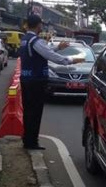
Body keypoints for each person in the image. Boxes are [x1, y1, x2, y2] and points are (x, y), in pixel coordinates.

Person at [19, 14, 84, 150]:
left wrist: (58, 48)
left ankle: (27, 139)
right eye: (41, 24)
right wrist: (72, 60)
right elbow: (53, 57)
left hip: (27, 79)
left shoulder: (25, 39)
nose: (41, 27)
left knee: (29, 112)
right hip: (36, 81)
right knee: (35, 112)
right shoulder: (35, 41)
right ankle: (31, 142)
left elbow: (44, 52)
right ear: (38, 25)